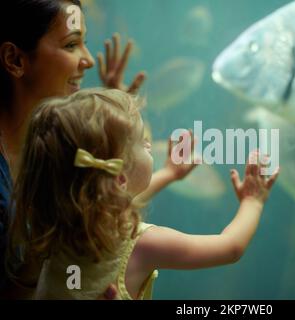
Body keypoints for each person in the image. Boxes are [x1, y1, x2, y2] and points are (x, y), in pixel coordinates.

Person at [7, 88, 279, 299]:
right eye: (140, 141)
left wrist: (169, 174)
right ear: (121, 178)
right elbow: (229, 247)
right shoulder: (143, 245)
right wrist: (253, 201)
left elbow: (118, 200)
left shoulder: (53, 230)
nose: (149, 142)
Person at [0, 0, 192, 298]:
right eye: (71, 45)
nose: (88, 59)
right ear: (14, 59)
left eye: (84, 44)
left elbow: (98, 203)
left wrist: (119, 125)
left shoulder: (59, 148)